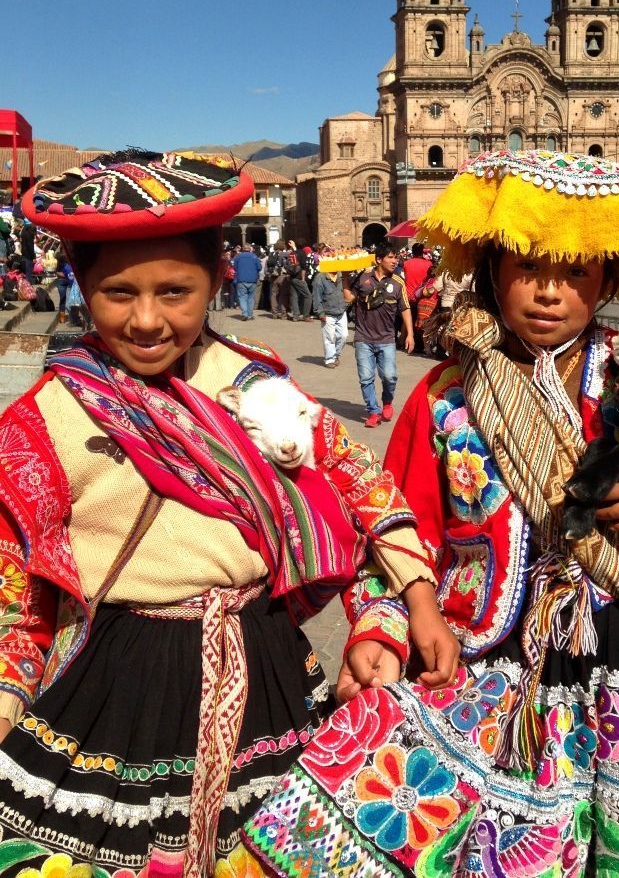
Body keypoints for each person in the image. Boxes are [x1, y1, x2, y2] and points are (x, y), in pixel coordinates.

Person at [244, 148, 619, 875]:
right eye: (527, 269)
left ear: (605, 280)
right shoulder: (446, 397)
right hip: (489, 660)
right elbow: (396, 530)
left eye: (574, 272)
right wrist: (392, 625)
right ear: (490, 271)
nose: (549, 292)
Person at [0, 149, 457, 874]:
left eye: (176, 292)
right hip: (124, 690)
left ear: (216, 278)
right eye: (118, 294)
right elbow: (15, 598)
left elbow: (365, 492)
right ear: (81, 285)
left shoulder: (260, 390)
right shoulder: (42, 424)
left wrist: (409, 608)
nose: (148, 320)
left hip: (268, 670)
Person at [345, 242, 413, 428]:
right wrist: (344, 277)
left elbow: (405, 308)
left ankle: (387, 401)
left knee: (390, 377)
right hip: (363, 338)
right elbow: (349, 298)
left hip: (387, 339)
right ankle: (373, 411)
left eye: (396, 257)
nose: (395, 261)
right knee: (366, 378)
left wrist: (410, 334)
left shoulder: (398, 282)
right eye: (390, 257)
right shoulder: (363, 278)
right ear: (379, 259)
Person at [312, 263, 348, 368]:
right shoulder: (320, 278)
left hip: (341, 311)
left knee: (343, 336)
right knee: (329, 337)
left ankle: (336, 354)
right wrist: (320, 312)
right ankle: (329, 359)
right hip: (328, 313)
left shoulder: (341, 276)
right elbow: (316, 297)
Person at [232, 241, 262, 321]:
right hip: (252, 280)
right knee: (251, 298)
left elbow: (235, 267)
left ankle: (245, 313)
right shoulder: (254, 257)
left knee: (242, 297)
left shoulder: (238, 257)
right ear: (250, 249)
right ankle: (250, 314)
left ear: (243, 249)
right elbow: (259, 267)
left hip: (241, 279)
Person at [288, 240, 313, 322]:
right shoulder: (302, 253)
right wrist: (303, 279)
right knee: (308, 296)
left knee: (294, 297)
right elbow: (304, 268)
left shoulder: (292, 253)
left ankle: (296, 316)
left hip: (292, 276)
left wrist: (293, 246)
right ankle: (306, 316)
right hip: (299, 278)